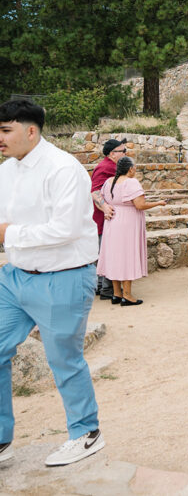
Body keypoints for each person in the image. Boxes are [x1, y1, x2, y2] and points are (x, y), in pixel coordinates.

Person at [0, 99, 105, 467]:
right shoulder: (6, 171)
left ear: (31, 131)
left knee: (63, 359)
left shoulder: (64, 169)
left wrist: (9, 234)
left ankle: (86, 433)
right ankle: (1, 440)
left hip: (64, 277)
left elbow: (66, 229)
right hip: (14, 279)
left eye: (5, 130)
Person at [97, 157, 167, 305]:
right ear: (130, 169)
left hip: (112, 222)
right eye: (135, 167)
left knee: (115, 257)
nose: (135, 170)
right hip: (127, 224)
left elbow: (101, 199)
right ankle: (127, 295)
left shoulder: (109, 182)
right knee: (126, 256)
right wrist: (158, 203)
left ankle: (116, 293)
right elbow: (140, 205)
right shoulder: (131, 182)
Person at [90, 138, 128, 300]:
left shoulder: (112, 167)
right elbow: (95, 191)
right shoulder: (105, 168)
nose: (126, 154)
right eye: (123, 151)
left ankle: (101, 287)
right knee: (108, 253)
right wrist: (105, 207)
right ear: (112, 154)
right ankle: (106, 289)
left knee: (104, 253)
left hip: (107, 218)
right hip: (104, 218)